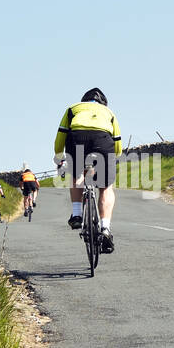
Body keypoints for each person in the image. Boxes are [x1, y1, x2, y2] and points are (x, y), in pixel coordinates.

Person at [53, 88, 122, 253]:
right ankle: (105, 228)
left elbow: (61, 134)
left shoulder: (73, 108)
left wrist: (59, 157)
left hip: (77, 138)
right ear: (103, 102)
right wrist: (114, 158)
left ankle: (76, 214)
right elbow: (117, 143)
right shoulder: (109, 112)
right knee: (105, 187)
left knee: (76, 174)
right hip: (103, 141)